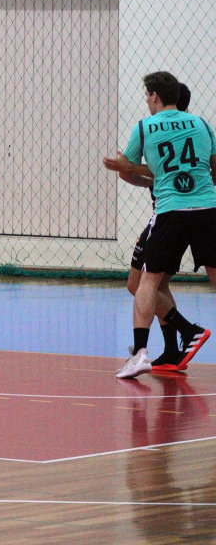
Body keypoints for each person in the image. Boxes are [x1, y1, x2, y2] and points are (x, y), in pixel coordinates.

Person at [103, 71, 216, 378]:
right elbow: (213, 169)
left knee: (146, 283)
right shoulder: (202, 125)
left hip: (169, 212)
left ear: (154, 96)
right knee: (161, 283)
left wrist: (130, 168)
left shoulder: (146, 127)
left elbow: (128, 171)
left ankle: (143, 352)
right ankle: (179, 342)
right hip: (207, 207)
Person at [120, 82, 202, 370]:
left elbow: (150, 171)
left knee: (141, 284)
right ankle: (172, 349)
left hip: (167, 218)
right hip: (171, 217)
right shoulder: (187, 132)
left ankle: (187, 331)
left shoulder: (158, 132)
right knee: (155, 285)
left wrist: (129, 168)